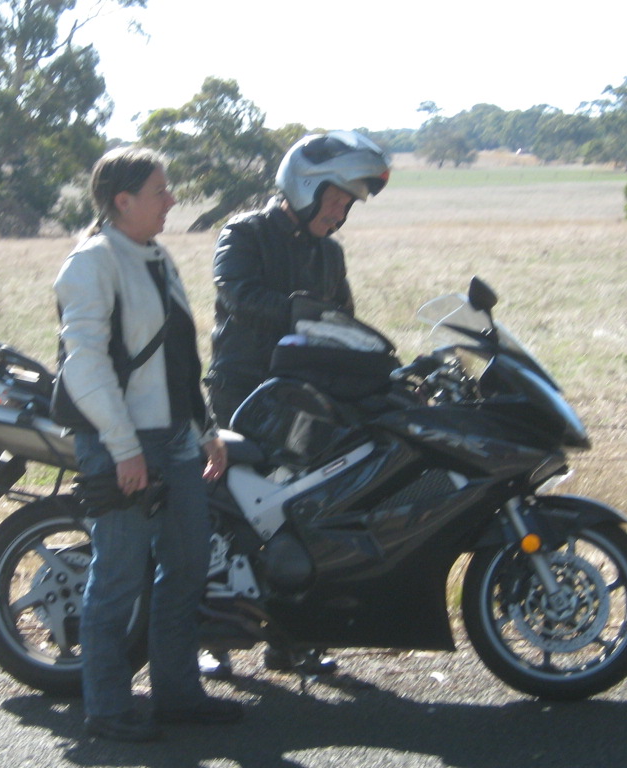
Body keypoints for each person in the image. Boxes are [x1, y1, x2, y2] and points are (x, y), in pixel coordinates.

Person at [54, 147, 243, 743]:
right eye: (161, 191)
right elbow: (84, 365)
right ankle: (107, 709)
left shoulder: (157, 257)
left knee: (186, 569)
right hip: (119, 443)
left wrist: (205, 429)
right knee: (118, 577)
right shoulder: (91, 262)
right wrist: (122, 447)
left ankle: (177, 697)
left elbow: (179, 358)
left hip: (176, 440)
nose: (172, 199)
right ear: (123, 200)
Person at [201, 130, 392, 680]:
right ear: (305, 187)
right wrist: (301, 312)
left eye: (347, 205)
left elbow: (344, 319)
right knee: (227, 512)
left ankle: (292, 640)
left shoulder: (330, 253)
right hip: (244, 389)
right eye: (334, 199)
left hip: (306, 401)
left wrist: (379, 359)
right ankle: (210, 636)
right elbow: (238, 295)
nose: (339, 213)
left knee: (301, 509)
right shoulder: (245, 232)